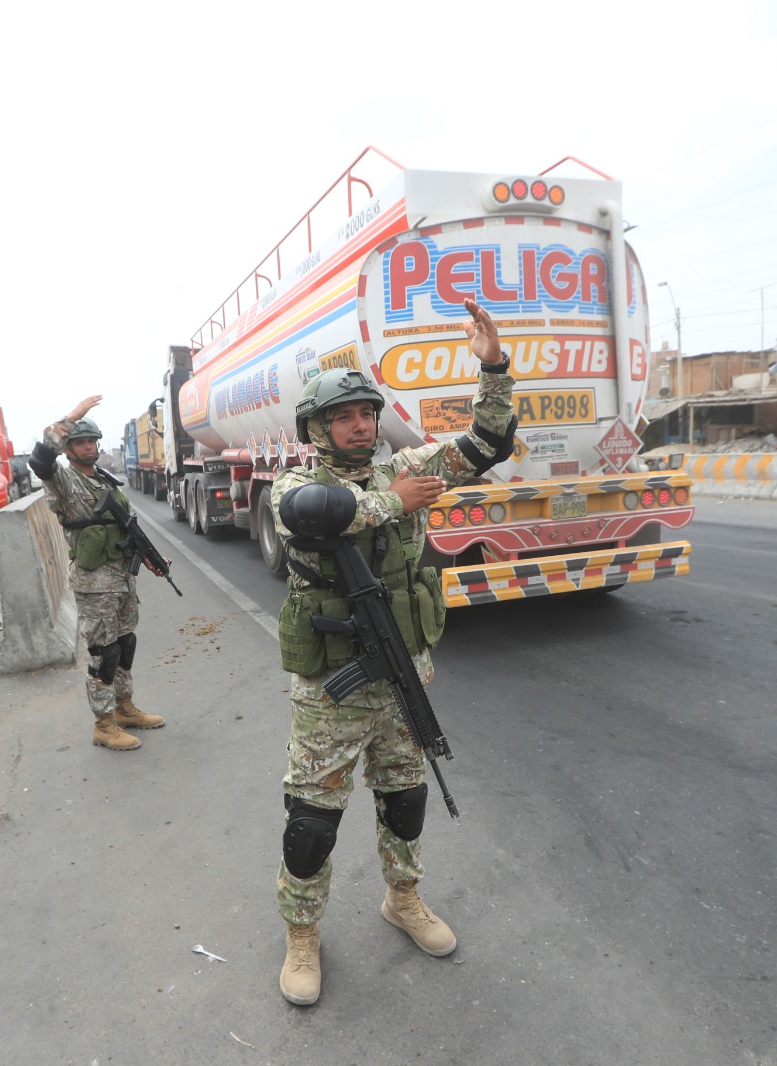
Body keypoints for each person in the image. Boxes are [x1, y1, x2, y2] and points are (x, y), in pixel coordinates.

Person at [269, 297, 515, 1007]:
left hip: (405, 676)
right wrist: (394, 503)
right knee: (312, 824)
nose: (361, 425)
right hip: (331, 695)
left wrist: (492, 364)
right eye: (345, 416)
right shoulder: (298, 483)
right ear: (317, 428)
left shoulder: (406, 465)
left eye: (368, 413)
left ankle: (403, 900)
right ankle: (302, 935)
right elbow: (316, 518)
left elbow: (488, 443)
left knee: (405, 800)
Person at [27, 399, 165, 751]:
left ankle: (124, 708)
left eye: (92, 442)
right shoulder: (62, 479)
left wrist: (146, 556)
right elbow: (41, 458)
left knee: (125, 645)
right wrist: (70, 419)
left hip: (121, 579)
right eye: (80, 442)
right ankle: (103, 725)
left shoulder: (105, 478)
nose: (89, 447)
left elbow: (122, 528)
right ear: (69, 448)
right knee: (104, 654)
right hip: (94, 583)